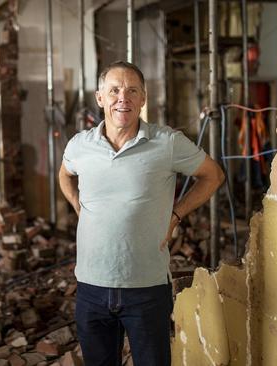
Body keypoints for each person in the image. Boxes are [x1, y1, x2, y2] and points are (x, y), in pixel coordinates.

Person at [58, 61, 224, 365]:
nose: (124, 98)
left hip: (146, 289)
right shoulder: (80, 145)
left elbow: (213, 175)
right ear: (99, 97)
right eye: (115, 90)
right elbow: (64, 175)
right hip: (91, 288)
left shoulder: (167, 143)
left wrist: (176, 215)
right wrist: (76, 205)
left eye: (132, 91)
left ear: (143, 99)